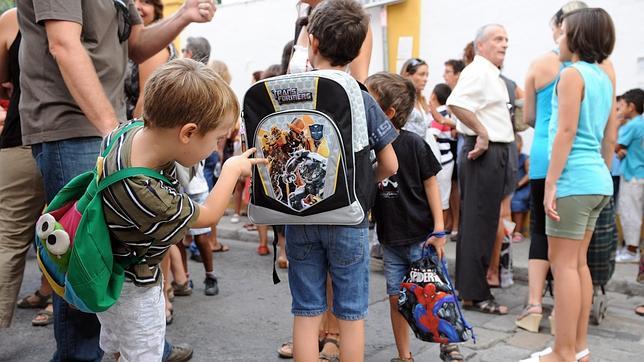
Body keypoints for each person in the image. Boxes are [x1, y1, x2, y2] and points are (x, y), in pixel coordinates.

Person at [17, 0, 216, 360]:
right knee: (82, 257)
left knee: (111, 262)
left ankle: (134, 346)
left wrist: (183, 15)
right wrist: (113, 131)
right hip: (74, 124)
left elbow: (135, 45)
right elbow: (63, 42)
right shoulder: (125, 153)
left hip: (107, 125)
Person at [97, 58, 265, 361]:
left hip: (109, 274)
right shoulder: (149, 195)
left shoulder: (122, 135)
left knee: (116, 347)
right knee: (143, 353)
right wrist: (230, 169)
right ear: (187, 133)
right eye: (215, 139)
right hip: (135, 289)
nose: (215, 147)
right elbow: (209, 216)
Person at [285, 1, 398, 361]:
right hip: (348, 217)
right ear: (357, 48)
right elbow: (390, 164)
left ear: (313, 42)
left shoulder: (288, 91)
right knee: (350, 312)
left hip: (299, 214)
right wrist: (363, 188)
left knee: (305, 310)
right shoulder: (360, 96)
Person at [523, 8, 618, 362]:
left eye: (563, 34)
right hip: (595, 180)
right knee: (578, 266)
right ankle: (578, 348)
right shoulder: (602, 77)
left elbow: (565, 132)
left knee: (563, 266)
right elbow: (606, 134)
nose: (558, 40)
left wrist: (551, 184)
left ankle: (562, 352)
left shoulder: (572, 75)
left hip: (573, 180)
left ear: (576, 39)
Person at [367, 72, 464, 362]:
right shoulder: (368, 149)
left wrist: (438, 228)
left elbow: (431, 183)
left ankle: (449, 343)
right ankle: (404, 355)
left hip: (421, 238)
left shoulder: (413, 144)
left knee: (433, 293)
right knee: (397, 299)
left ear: (387, 113)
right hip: (391, 240)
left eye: (368, 102)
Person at [516, 0, 588, 334]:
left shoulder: (540, 64)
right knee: (572, 241)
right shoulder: (594, 67)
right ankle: (565, 307)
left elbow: (528, 117)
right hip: (578, 161)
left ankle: (533, 306)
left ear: (557, 26)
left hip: (545, 154)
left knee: (540, 233)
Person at [446, 24, 516, 315]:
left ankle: (474, 291)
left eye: (506, 39)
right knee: (478, 223)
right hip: (483, 152)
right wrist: (483, 133)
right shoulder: (478, 69)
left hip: (494, 153)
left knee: (485, 223)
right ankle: (474, 294)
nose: (504, 44)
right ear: (481, 45)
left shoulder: (490, 72)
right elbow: (456, 103)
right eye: (498, 39)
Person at [0, 7, 48, 329]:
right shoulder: (99, 10)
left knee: (8, 241)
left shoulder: (13, 19)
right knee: (76, 237)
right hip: (78, 137)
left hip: (22, 135)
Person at [124, 0, 178, 119]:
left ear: (156, 10)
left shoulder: (154, 48)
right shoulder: (133, 41)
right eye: (133, 1)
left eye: (145, 2)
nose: (137, 6)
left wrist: (132, 134)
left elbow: (146, 100)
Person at [614, 88, 644, 263]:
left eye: (621, 106)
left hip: (631, 174)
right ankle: (631, 248)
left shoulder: (631, 125)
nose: (619, 110)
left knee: (629, 212)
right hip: (639, 173)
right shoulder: (641, 123)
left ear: (631, 107)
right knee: (635, 211)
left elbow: (617, 145)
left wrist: (617, 124)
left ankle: (631, 251)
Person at [442, 59, 464, 239]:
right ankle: (449, 221)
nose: (444, 76)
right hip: (447, 142)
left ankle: (457, 223)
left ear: (457, 74)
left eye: (448, 72)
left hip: (458, 142)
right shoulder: (448, 93)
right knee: (449, 186)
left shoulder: (462, 92)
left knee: (456, 187)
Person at [428, 83, 455, 223]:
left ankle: (440, 231)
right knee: (442, 197)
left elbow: (432, 136)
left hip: (442, 162)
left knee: (442, 199)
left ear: (433, 95)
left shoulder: (441, 113)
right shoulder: (443, 112)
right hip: (444, 161)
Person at [400, 58, 430, 139]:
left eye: (427, 75)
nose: (425, 79)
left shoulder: (422, 100)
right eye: (421, 74)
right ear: (407, 75)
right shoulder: (400, 99)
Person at [511, 134, 530, 242]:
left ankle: (518, 232)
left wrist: (518, 184)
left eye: (518, 151)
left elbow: (529, 174)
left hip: (522, 188)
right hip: (510, 188)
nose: (516, 154)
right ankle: (508, 231)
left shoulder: (524, 158)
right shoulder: (508, 158)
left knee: (517, 201)